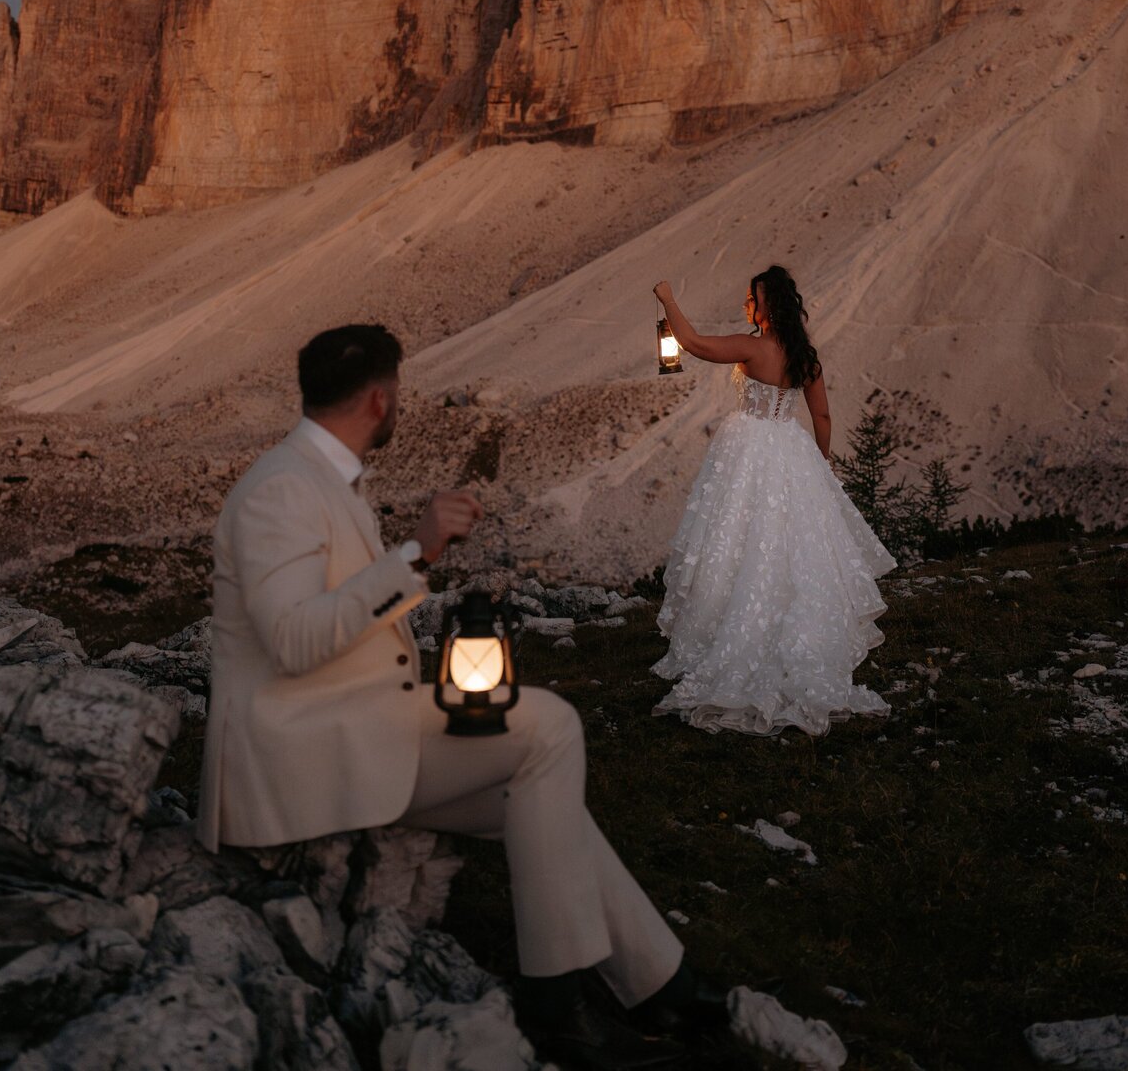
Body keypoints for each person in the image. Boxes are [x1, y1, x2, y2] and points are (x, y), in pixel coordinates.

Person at [197, 322, 722, 1070]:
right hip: (300, 754)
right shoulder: (282, 489)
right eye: (398, 390)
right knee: (549, 725)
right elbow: (293, 640)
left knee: (538, 799)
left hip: (346, 723)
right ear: (380, 400)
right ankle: (557, 1007)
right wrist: (416, 552)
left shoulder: (315, 476)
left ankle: (666, 988)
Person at [650, 267, 895, 736]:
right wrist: (821, 465)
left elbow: (694, 344)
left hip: (749, 452)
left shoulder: (755, 348)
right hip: (792, 449)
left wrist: (668, 299)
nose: (747, 304)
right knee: (791, 547)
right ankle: (795, 636)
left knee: (739, 539)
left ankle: (736, 633)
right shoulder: (806, 359)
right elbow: (822, 416)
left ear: (769, 306)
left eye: (752, 298)